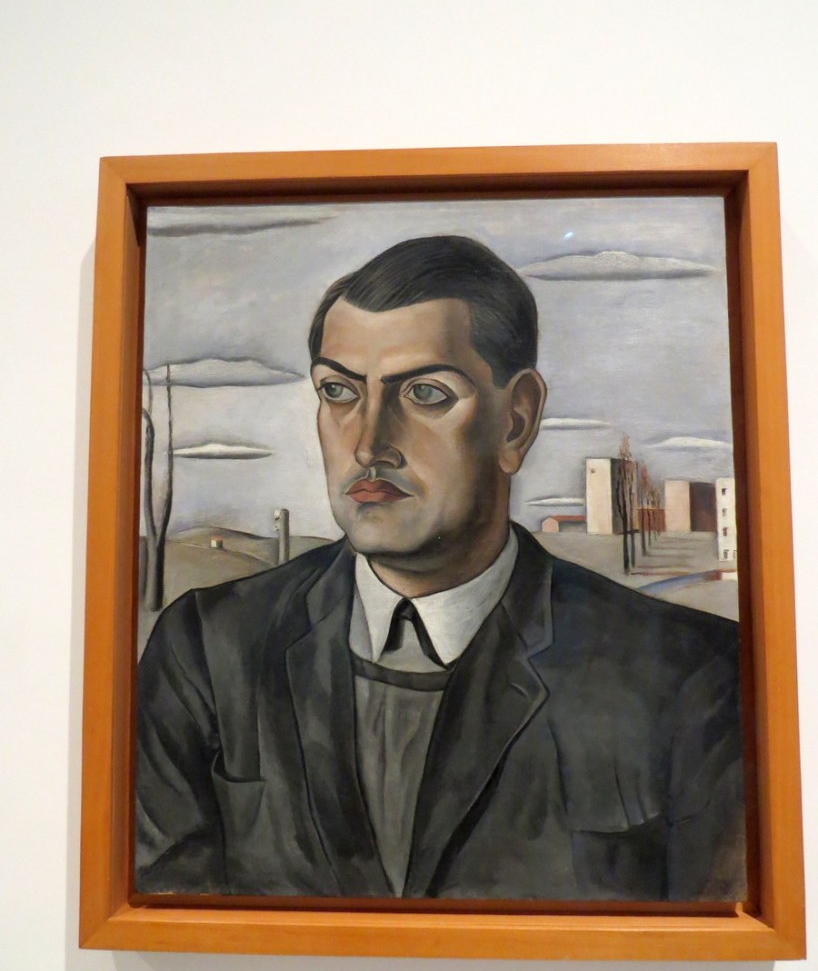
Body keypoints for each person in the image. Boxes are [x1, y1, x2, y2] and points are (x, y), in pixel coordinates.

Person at [136, 235, 745, 901]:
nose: (368, 444)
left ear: (516, 422)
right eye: (338, 391)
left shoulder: (693, 678)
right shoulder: (208, 648)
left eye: (425, 393)